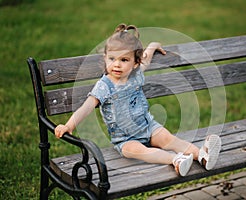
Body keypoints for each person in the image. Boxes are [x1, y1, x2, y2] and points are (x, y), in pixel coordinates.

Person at [55, 23, 221, 176]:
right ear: (105, 58)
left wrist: (154, 46)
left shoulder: (136, 73)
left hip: (148, 127)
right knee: (141, 151)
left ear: (135, 63)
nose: (117, 64)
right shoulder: (104, 86)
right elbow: (86, 107)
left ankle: (201, 155)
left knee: (170, 139)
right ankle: (175, 160)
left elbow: (146, 57)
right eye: (112, 59)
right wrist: (69, 125)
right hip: (125, 139)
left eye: (124, 60)